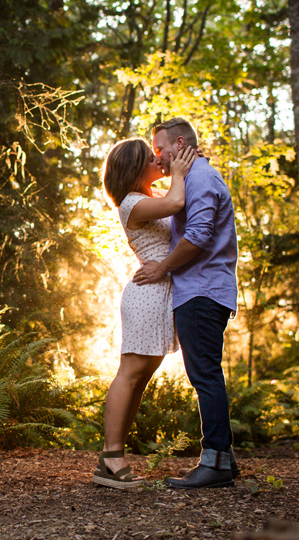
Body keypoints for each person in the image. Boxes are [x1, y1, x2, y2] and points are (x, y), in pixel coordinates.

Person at [134, 117, 239, 489]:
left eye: (160, 149)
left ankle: (214, 463)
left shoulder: (201, 180)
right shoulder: (194, 178)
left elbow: (196, 238)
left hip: (202, 291)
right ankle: (223, 458)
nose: (158, 158)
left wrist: (161, 268)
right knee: (207, 374)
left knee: (205, 376)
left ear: (180, 144)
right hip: (201, 290)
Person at [93, 137, 197, 489]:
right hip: (145, 295)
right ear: (135, 169)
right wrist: (180, 171)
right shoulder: (132, 204)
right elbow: (178, 200)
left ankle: (111, 456)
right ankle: (111, 455)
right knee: (130, 373)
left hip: (158, 293)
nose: (159, 160)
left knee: (141, 376)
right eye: (151, 158)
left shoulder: (146, 199)